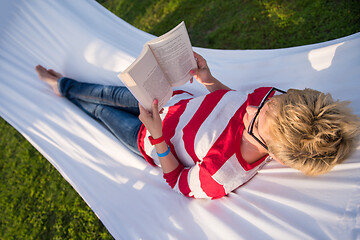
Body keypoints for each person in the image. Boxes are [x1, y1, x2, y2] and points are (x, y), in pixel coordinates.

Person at [35, 52, 360, 199]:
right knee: (105, 92)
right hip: (168, 99)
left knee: (100, 112)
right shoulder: (271, 104)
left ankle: (65, 93)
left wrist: (158, 135)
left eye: (254, 117)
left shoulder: (222, 172)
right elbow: (232, 101)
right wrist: (209, 80)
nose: (252, 105)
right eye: (266, 101)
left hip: (146, 136)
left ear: (275, 153)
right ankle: (64, 84)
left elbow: (177, 180)